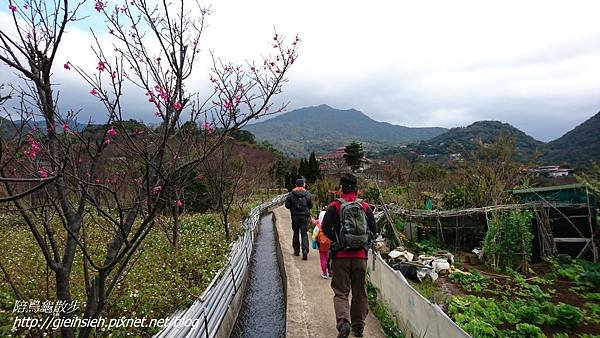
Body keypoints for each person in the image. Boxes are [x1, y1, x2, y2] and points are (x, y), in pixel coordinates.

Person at [321, 173, 378, 338]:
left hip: (341, 257)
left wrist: (338, 241)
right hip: (361, 257)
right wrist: (363, 243)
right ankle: (358, 327)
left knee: (341, 291)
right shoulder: (365, 207)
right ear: (357, 189)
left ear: (341, 188)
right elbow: (373, 230)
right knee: (360, 292)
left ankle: (343, 323)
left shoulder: (335, 206)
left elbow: (325, 229)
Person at [284, 178, 313, 260]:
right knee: (304, 234)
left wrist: (293, 208)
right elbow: (311, 205)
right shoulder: (307, 194)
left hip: (295, 216)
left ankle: (296, 251)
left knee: (295, 233)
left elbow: (287, 205)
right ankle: (305, 250)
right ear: (303, 184)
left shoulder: (291, 194)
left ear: (296, 185)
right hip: (304, 216)